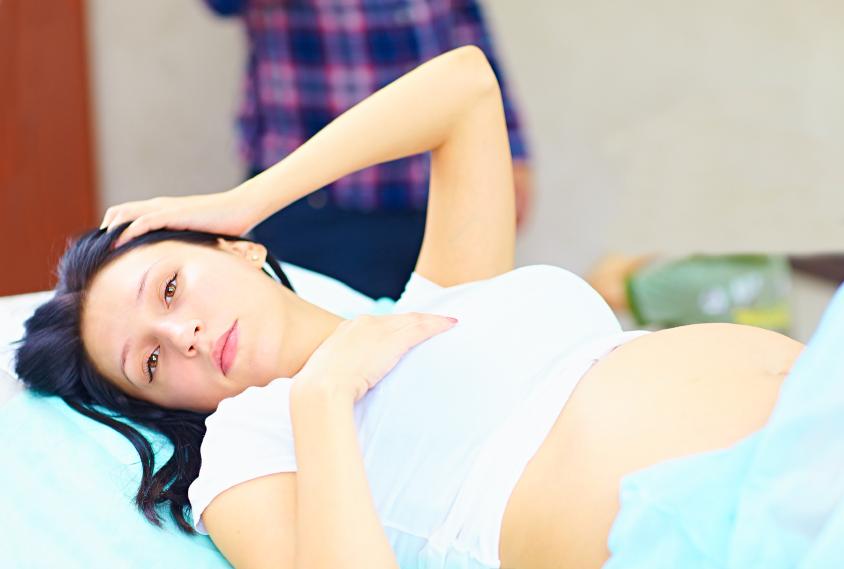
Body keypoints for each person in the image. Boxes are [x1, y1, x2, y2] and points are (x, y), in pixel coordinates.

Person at [17, 47, 802, 568]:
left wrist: (248, 199)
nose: (182, 334)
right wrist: (325, 394)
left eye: (170, 288)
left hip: (809, 416)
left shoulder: (443, 296)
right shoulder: (246, 449)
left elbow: (465, 86)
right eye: (151, 361)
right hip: (722, 534)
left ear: (237, 248)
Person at [203, 0, 532, 299]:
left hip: (431, 185)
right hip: (319, 201)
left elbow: (465, 22)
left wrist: (509, 145)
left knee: (459, 330)